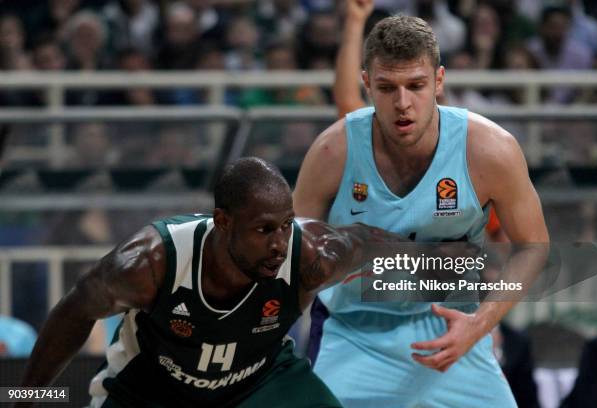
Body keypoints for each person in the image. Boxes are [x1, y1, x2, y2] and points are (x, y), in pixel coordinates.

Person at [294, 13, 549, 408]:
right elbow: (293, 256)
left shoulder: (490, 150)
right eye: (387, 87)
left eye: (416, 86)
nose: (402, 104)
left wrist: (479, 325)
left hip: (453, 331)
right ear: (367, 84)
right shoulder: (332, 151)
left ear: (439, 81)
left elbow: (534, 247)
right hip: (352, 333)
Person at [19, 157, 404, 408]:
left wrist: (466, 306)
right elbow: (74, 311)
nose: (278, 245)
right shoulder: (149, 263)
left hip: (259, 383)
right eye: (263, 230)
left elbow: (374, 244)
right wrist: (23, 399)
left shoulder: (311, 256)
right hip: (152, 391)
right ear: (223, 221)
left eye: (286, 225)